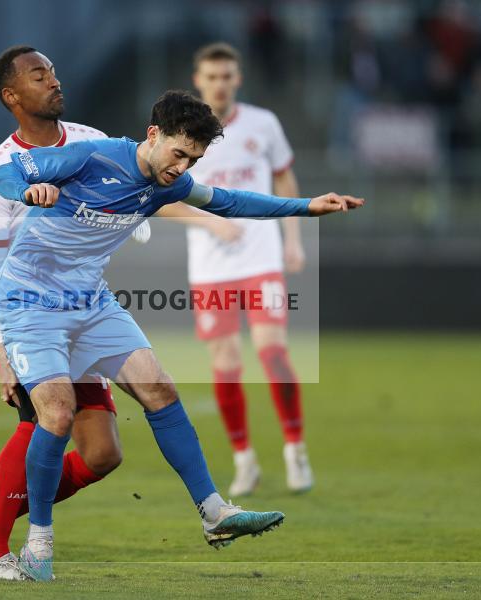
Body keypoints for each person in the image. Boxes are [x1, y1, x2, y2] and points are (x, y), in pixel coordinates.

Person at [0, 89, 364, 581]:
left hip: (90, 302)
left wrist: (306, 207)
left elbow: (229, 202)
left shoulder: (171, 184)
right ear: (153, 134)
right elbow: (4, 173)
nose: (183, 167)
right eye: (179, 153)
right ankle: (39, 540)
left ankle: (214, 512)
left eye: (194, 159)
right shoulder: (92, 156)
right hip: (30, 301)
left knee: (160, 388)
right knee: (57, 415)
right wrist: (27, 191)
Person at [0, 45, 143, 581]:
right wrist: (0, 352)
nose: (54, 82)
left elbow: (135, 184)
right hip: (29, 319)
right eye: (39, 76)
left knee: (102, 454)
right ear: (12, 96)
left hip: (82, 310)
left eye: (53, 72)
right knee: (43, 421)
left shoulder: (91, 142)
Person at [157, 42, 311, 496]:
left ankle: (295, 449)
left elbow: (284, 177)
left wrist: (293, 239)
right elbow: (159, 200)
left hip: (261, 259)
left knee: (272, 352)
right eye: (211, 77)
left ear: (237, 78)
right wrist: (210, 223)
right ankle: (244, 460)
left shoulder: (263, 124)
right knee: (224, 364)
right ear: (198, 80)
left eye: (226, 76)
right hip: (211, 268)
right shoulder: (181, 137)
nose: (220, 84)